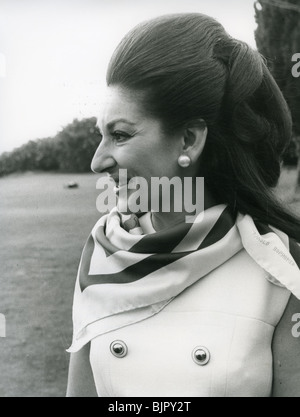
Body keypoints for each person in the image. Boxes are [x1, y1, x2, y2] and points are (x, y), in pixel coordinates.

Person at [66, 13, 300, 397]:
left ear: (189, 140)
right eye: (101, 135)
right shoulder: (102, 250)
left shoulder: (280, 267)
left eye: (120, 135)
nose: (97, 161)